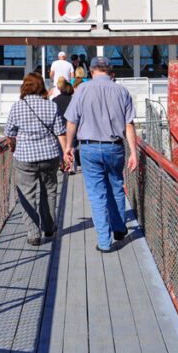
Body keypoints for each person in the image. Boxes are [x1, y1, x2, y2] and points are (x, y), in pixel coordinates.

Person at [64, 55, 138, 253]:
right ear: (110, 72)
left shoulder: (82, 90)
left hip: (88, 148)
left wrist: (68, 147)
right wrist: (133, 153)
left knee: (97, 195)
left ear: (92, 71)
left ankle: (104, 242)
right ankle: (120, 228)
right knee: (116, 187)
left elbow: (72, 121)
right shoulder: (122, 91)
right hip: (115, 147)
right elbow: (128, 124)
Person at [4, 72, 71, 245]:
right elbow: (60, 132)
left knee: (27, 194)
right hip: (49, 156)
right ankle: (49, 227)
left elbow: (9, 133)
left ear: (25, 87)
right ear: (41, 87)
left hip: (25, 157)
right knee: (49, 191)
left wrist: (12, 145)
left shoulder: (18, 106)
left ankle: (33, 234)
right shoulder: (50, 106)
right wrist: (66, 153)